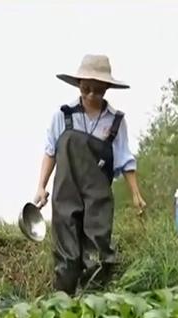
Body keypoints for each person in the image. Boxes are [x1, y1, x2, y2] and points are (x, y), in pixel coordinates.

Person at [34, 54, 146, 295]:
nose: (91, 95)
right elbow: (50, 151)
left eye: (98, 90)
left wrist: (136, 194)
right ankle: (63, 304)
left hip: (98, 196)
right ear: (78, 85)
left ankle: (93, 307)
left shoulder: (116, 121)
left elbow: (126, 160)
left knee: (96, 254)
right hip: (66, 193)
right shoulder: (62, 116)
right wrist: (41, 187)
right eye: (86, 89)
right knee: (67, 256)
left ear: (106, 88)